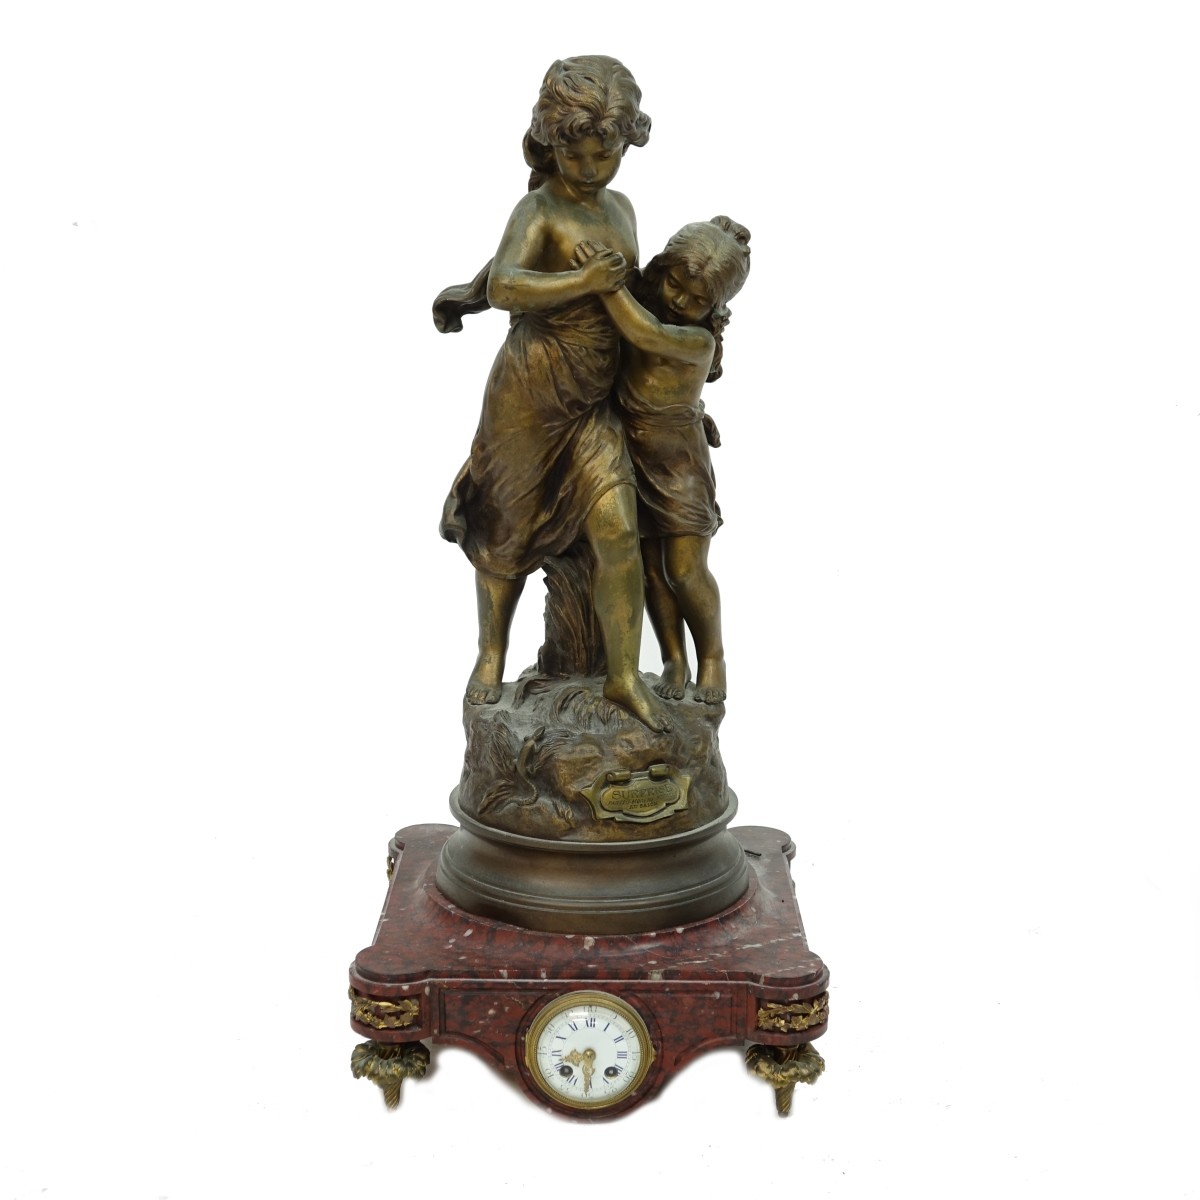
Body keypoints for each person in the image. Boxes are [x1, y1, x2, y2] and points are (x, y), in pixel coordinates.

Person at [437, 55, 669, 732]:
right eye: (576, 154)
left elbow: (630, 292)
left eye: (607, 153)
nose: (592, 168)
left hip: (594, 399)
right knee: (505, 527)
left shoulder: (622, 209)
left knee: (619, 527)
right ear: (551, 142)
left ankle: (624, 676)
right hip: (530, 393)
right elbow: (507, 283)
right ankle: (491, 653)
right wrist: (582, 283)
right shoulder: (537, 209)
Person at [572, 217, 751, 703]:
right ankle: (673, 657)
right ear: (661, 268)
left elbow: (647, 334)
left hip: (679, 466)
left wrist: (604, 283)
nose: (680, 301)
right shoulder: (641, 300)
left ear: (716, 309)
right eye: (675, 284)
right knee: (650, 569)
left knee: (685, 569)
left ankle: (712, 656)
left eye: (698, 299)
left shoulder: (698, 342)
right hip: (630, 454)